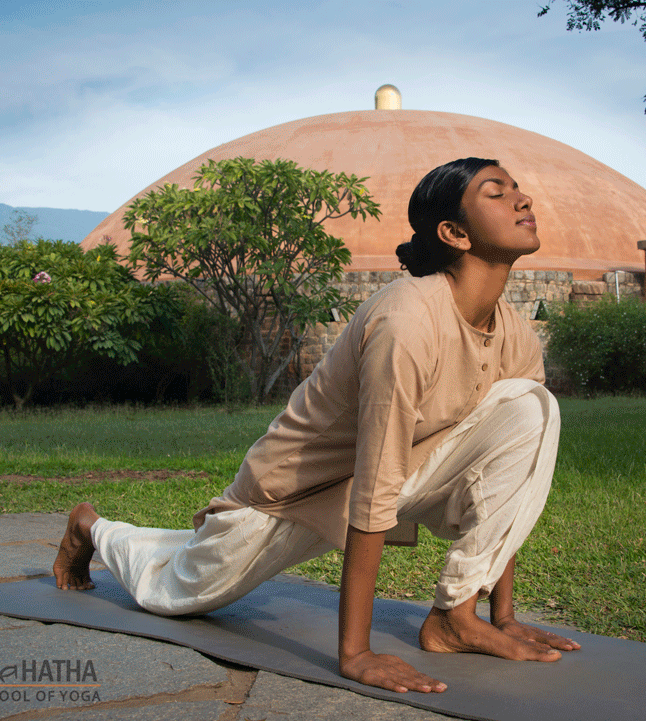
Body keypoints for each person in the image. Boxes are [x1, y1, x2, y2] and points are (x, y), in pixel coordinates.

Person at [53, 157, 579, 695]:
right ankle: (92, 527)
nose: (522, 199)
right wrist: (355, 653)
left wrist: (505, 615)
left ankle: (456, 617)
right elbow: (376, 480)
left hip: (406, 473)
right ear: (454, 233)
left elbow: (514, 473)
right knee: (175, 591)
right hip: (288, 494)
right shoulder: (407, 320)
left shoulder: (513, 331)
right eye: (497, 192)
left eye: (517, 188)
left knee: (531, 406)